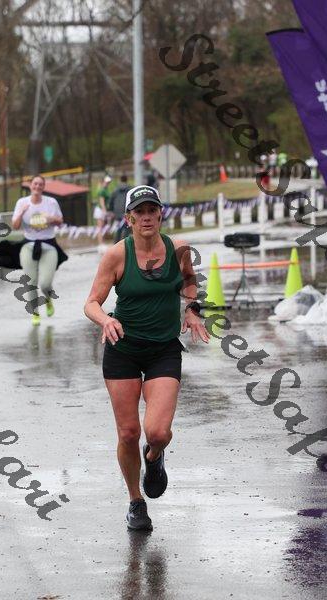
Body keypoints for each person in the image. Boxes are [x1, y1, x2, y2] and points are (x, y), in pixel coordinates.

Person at [84, 185, 210, 531]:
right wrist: (106, 320)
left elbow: (189, 279)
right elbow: (91, 302)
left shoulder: (178, 249)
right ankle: (135, 502)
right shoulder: (116, 256)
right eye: (139, 212)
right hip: (123, 349)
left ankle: (154, 457)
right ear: (128, 219)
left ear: (160, 214)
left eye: (152, 210)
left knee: (157, 432)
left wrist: (192, 309)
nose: (146, 217)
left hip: (163, 349)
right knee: (128, 433)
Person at [11, 175, 63, 326]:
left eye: (40, 184)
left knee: (45, 284)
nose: (37, 186)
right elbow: (15, 226)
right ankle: (35, 313)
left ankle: (48, 299)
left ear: (43, 187)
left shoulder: (51, 202)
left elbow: (60, 222)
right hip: (29, 245)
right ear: (30, 185)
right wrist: (21, 212)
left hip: (49, 245)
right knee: (31, 281)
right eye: (35, 184)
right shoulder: (22, 202)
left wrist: (51, 218)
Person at [109, 174, 131, 243]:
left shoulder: (115, 190)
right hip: (126, 212)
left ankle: (116, 244)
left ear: (120, 180)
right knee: (127, 229)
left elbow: (111, 201)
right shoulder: (130, 189)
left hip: (117, 213)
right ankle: (125, 244)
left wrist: (111, 210)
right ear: (127, 180)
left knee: (118, 229)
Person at [93, 175, 112, 250]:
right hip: (100, 210)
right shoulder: (102, 190)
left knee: (103, 227)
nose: (107, 183)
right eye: (106, 182)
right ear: (103, 181)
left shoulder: (105, 189)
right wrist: (104, 211)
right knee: (100, 227)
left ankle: (102, 242)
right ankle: (100, 244)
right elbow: (102, 202)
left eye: (108, 182)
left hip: (103, 210)